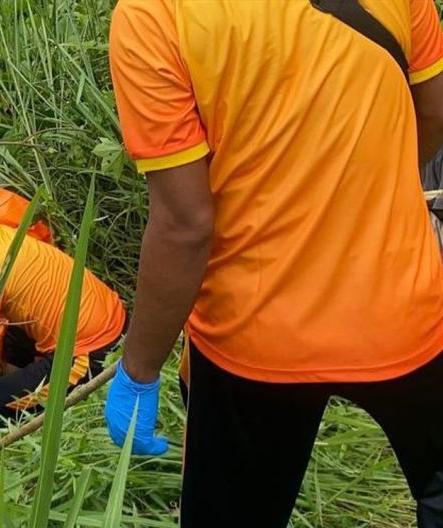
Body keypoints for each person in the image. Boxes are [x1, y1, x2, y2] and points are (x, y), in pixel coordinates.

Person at [104, 1, 443, 526]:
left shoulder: (153, 14)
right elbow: (435, 113)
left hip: (254, 338)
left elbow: (185, 225)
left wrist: (139, 370)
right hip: (407, 313)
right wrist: (374, 184)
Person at [0, 202, 127, 421]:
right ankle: (24, 374)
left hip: (95, 349)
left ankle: (38, 382)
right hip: (100, 316)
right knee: (2, 344)